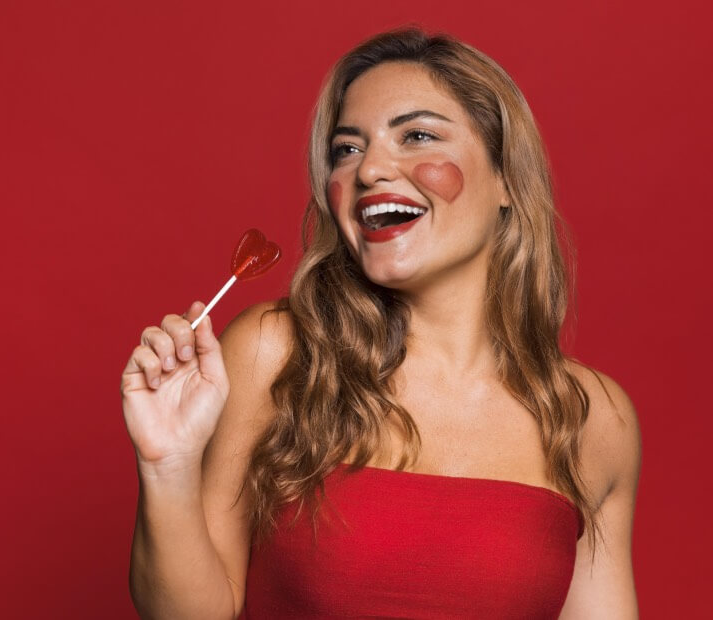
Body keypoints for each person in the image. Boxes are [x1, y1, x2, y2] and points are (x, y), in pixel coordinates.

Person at [120, 25, 641, 619]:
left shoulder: (596, 418)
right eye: (347, 149)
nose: (369, 170)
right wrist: (169, 466)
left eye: (417, 135)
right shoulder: (276, 352)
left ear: (505, 179)